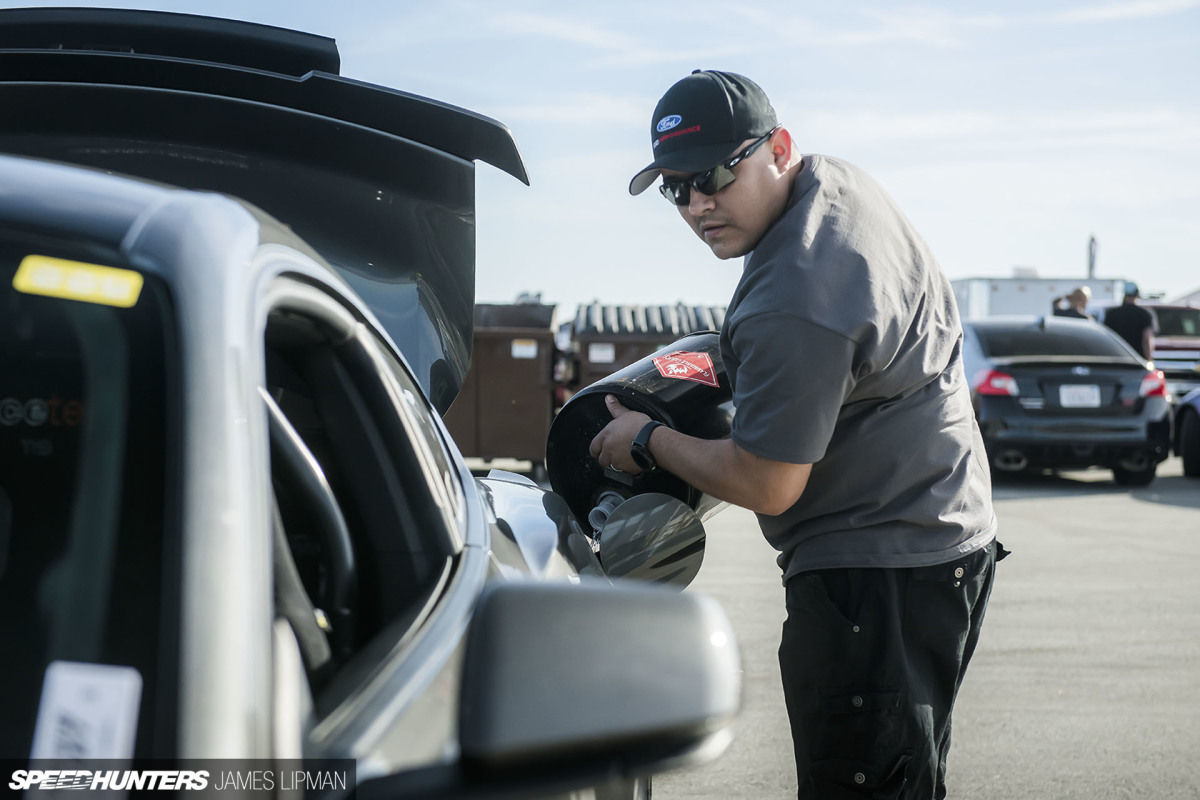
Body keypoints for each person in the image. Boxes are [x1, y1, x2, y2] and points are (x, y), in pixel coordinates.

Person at [589, 70, 1002, 799]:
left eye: (716, 175)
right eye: (675, 188)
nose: (697, 204)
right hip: (943, 535)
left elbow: (769, 481)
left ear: (779, 148)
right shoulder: (834, 187)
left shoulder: (795, 296)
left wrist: (649, 442)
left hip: (876, 574)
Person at [1102, 282, 1156, 359]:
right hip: (1138, 360)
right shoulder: (1144, 314)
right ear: (1137, 295)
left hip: (1117, 359)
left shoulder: (1111, 314)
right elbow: (1146, 338)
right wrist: (1149, 359)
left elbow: (1106, 337)